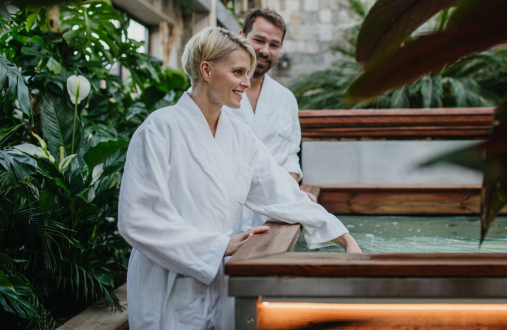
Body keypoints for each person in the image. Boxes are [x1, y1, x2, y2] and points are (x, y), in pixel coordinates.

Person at [118, 27, 361, 330]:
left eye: (247, 73)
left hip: (219, 277)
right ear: (206, 70)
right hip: (168, 286)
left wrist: (344, 238)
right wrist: (219, 246)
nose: (247, 82)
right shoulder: (159, 130)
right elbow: (137, 218)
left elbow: (281, 190)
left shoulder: (238, 135)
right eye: (237, 72)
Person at [222, 8, 315, 236]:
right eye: (259, 40)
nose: (265, 51)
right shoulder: (214, 89)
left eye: (274, 45)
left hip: (270, 217)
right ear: (242, 36)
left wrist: (293, 194)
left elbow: (290, 156)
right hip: (221, 213)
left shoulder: (286, 99)